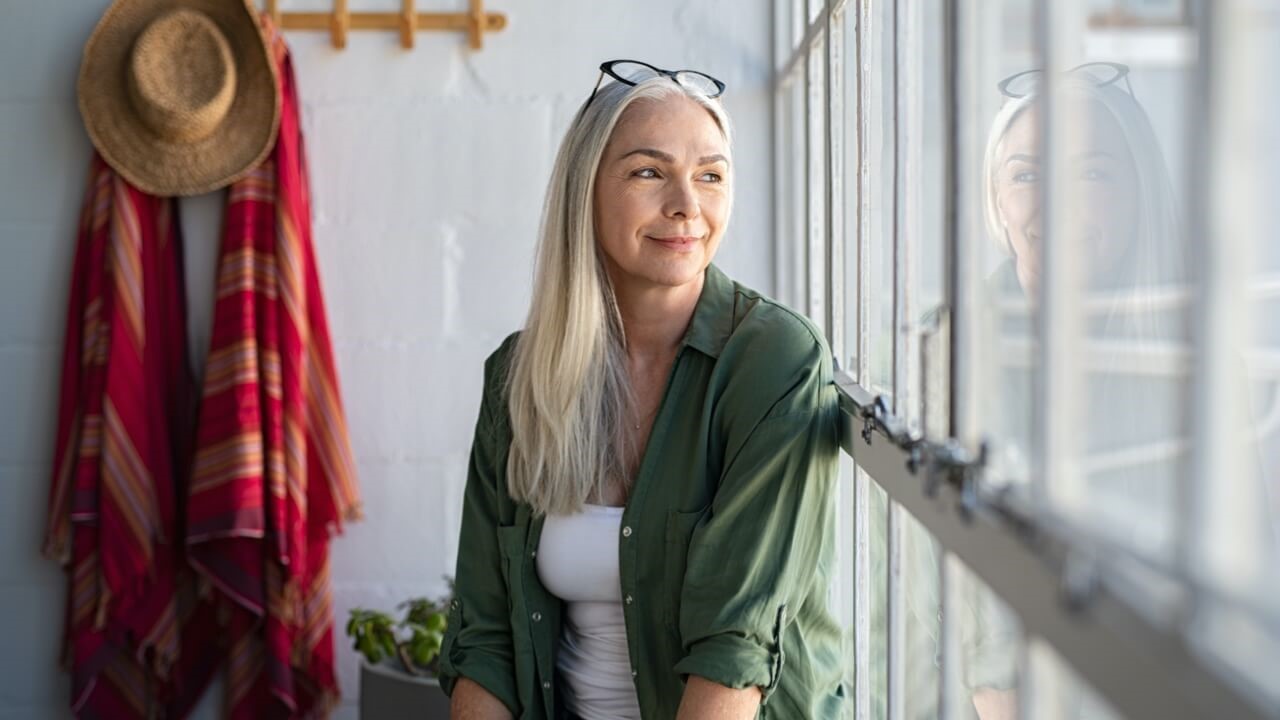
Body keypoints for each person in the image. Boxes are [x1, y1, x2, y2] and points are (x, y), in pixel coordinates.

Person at [438, 60, 848, 720]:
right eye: (649, 172)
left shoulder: (775, 362)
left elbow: (732, 654)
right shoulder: (519, 377)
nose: (688, 204)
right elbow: (486, 643)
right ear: (587, 191)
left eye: (710, 175)